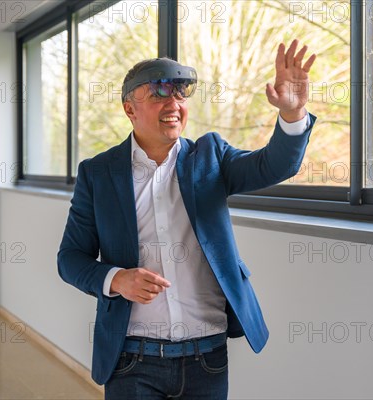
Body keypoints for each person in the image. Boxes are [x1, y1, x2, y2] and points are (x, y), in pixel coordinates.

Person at [58, 39, 317, 399]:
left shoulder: (211, 156)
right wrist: (117, 279)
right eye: (159, 95)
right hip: (132, 359)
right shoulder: (98, 174)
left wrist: (292, 114)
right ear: (129, 109)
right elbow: (70, 259)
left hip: (205, 360)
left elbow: (274, 164)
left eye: (180, 95)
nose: (174, 105)